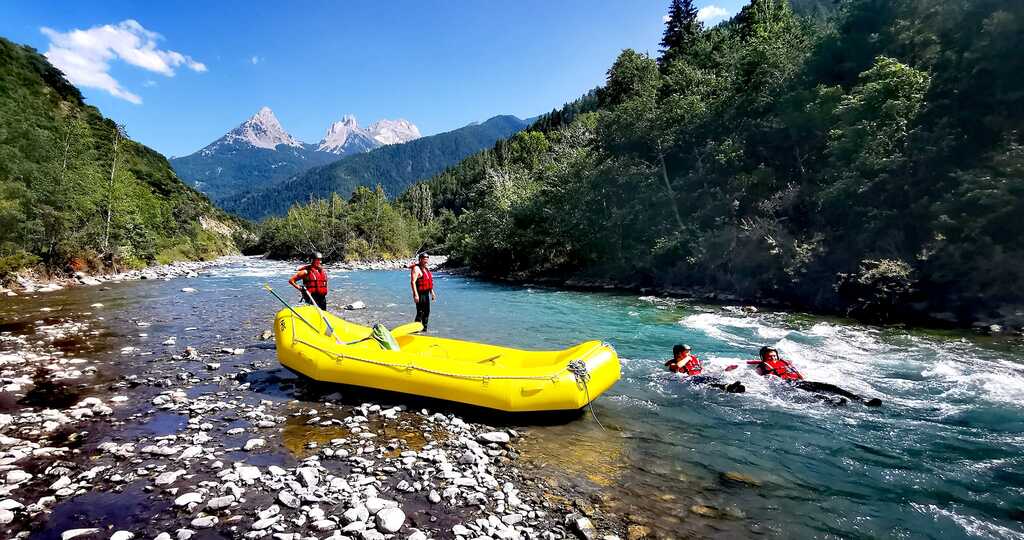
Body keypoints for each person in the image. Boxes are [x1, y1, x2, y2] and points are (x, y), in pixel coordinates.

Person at [748, 346, 882, 406]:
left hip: (799, 381)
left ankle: (863, 401)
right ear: (764, 358)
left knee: (831, 387)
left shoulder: (785, 362)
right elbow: (757, 377)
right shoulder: (761, 367)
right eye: (769, 356)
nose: (773, 357)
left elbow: (797, 372)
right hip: (786, 384)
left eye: (774, 355)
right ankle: (832, 402)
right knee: (809, 394)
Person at [665, 344, 745, 393]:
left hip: (697, 378)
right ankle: (728, 388)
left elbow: (700, 369)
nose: (690, 354)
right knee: (707, 382)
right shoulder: (673, 364)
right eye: (687, 352)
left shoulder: (691, 360)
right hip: (687, 381)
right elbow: (677, 367)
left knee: (713, 378)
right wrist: (688, 358)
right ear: (679, 353)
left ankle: (730, 387)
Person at [410, 252, 436, 330]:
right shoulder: (416, 269)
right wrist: (415, 295)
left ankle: (424, 329)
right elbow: (413, 282)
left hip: (426, 293)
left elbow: (429, 281)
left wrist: (432, 292)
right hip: (420, 294)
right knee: (420, 312)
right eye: (425, 260)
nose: (426, 262)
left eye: (427, 260)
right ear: (420, 260)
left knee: (427, 312)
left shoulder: (426, 269)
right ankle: (415, 329)